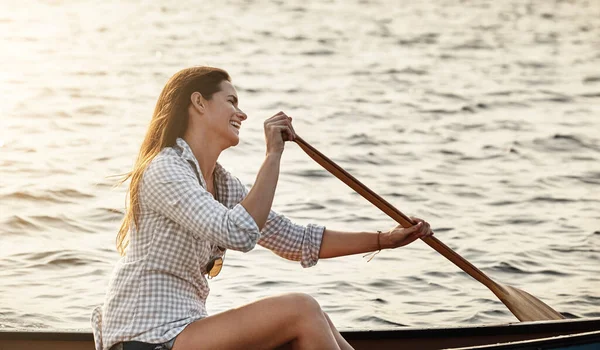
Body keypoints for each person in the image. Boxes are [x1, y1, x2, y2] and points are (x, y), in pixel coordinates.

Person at [91, 66, 433, 350]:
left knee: (315, 321)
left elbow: (297, 241)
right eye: (231, 101)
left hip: (184, 331)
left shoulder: (223, 186)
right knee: (302, 309)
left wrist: (384, 240)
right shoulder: (165, 169)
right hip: (144, 338)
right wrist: (273, 155)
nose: (242, 113)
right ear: (198, 102)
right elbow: (237, 233)